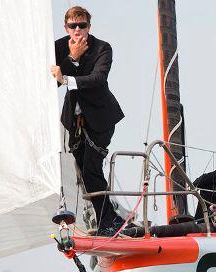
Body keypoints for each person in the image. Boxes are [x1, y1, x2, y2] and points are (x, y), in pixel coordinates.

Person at [50, 6, 125, 235]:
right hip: (74, 121)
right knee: (84, 170)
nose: (78, 30)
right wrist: (72, 58)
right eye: (73, 26)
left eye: (82, 25)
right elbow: (49, 83)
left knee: (92, 169)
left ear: (89, 27)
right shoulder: (58, 48)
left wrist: (66, 77)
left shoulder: (103, 48)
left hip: (101, 117)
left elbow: (98, 79)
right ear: (66, 27)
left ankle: (107, 222)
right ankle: (108, 218)